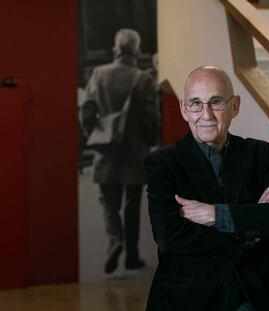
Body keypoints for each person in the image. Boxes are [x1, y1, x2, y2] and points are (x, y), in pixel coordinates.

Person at [144, 65, 269, 310]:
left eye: (216, 102)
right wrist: (250, 231)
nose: (206, 114)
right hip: (188, 300)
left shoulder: (259, 154)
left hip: (252, 298)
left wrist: (215, 214)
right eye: (195, 103)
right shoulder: (163, 163)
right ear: (184, 109)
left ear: (235, 106)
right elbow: (169, 237)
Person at [82, 28, 159, 274]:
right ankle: (132, 256)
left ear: (116, 49)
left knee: (108, 202)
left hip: (106, 152)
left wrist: (95, 136)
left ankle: (115, 241)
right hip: (135, 153)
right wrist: (150, 142)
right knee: (132, 203)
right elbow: (151, 119)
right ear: (136, 50)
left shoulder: (99, 74)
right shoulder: (143, 79)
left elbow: (87, 112)